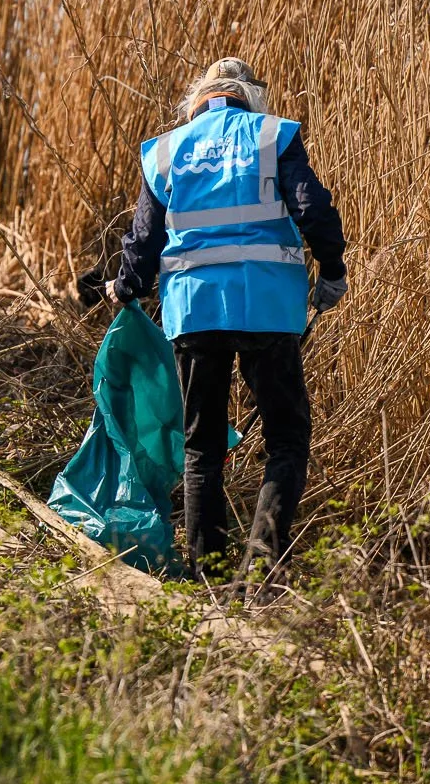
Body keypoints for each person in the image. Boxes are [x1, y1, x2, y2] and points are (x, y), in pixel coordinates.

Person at [108, 58, 346, 584]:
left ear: (198, 99)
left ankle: (209, 577)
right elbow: (314, 209)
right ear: (248, 96)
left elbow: (144, 242)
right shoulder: (272, 135)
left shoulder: (165, 151)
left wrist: (123, 286)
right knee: (286, 440)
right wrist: (331, 272)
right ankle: (259, 573)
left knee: (202, 448)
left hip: (193, 312)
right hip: (267, 309)